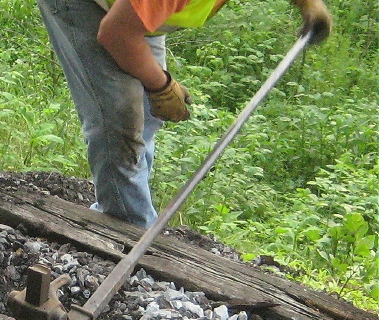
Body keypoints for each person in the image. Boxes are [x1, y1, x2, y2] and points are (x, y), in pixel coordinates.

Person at [37, 0, 332, 227]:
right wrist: (161, 84)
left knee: (149, 114)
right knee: (119, 120)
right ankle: (126, 230)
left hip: (132, 13)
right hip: (98, 11)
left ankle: (126, 210)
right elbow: (116, 34)